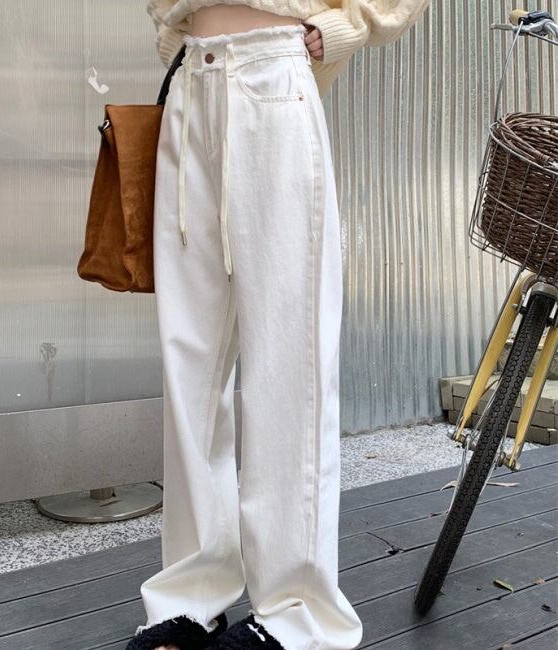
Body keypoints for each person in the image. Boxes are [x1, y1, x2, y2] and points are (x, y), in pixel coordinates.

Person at [128, 2, 430, 649]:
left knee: (289, 364)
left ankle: (299, 616)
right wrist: (173, 31)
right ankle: (189, 596)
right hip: (191, 85)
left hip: (273, 76)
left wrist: (352, 24)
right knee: (190, 364)